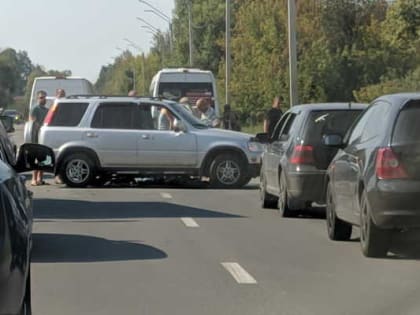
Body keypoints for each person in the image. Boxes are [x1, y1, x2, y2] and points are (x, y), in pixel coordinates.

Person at [30, 90, 49, 186]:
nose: (43, 99)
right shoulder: (35, 108)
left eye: (44, 97)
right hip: (36, 137)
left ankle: (40, 179)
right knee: (36, 159)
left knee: (43, 159)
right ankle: (34, 179)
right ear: (38, 98)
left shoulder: (47, 110)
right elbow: (33, 120)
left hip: (44, 137)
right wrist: (40, 127)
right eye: (41, 97)